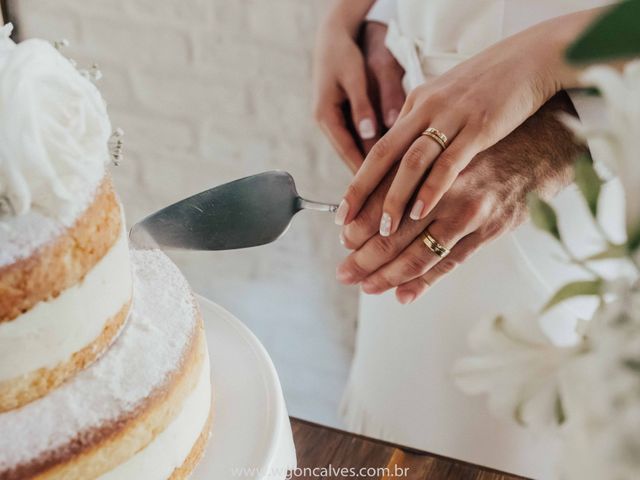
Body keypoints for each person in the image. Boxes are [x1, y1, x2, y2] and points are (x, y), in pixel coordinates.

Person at [313, 1, 624, 477]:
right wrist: (359, 17)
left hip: (574, 154)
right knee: (393, 421)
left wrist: (545, 65)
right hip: (418, 119)